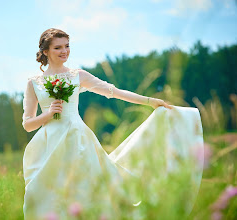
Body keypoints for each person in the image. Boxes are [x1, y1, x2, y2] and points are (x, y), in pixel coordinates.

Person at [22, 28, 204, 219]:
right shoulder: (33, 83)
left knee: (85, 193)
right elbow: (28, 124)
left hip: (79, 142)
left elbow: (115, 92)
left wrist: (150, 101)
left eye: (67, 46)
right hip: (48, 144)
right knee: (41, 195)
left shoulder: (78, 75)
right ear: (45, 51)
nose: (64, 51)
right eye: (58, 47)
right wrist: (49, 114)